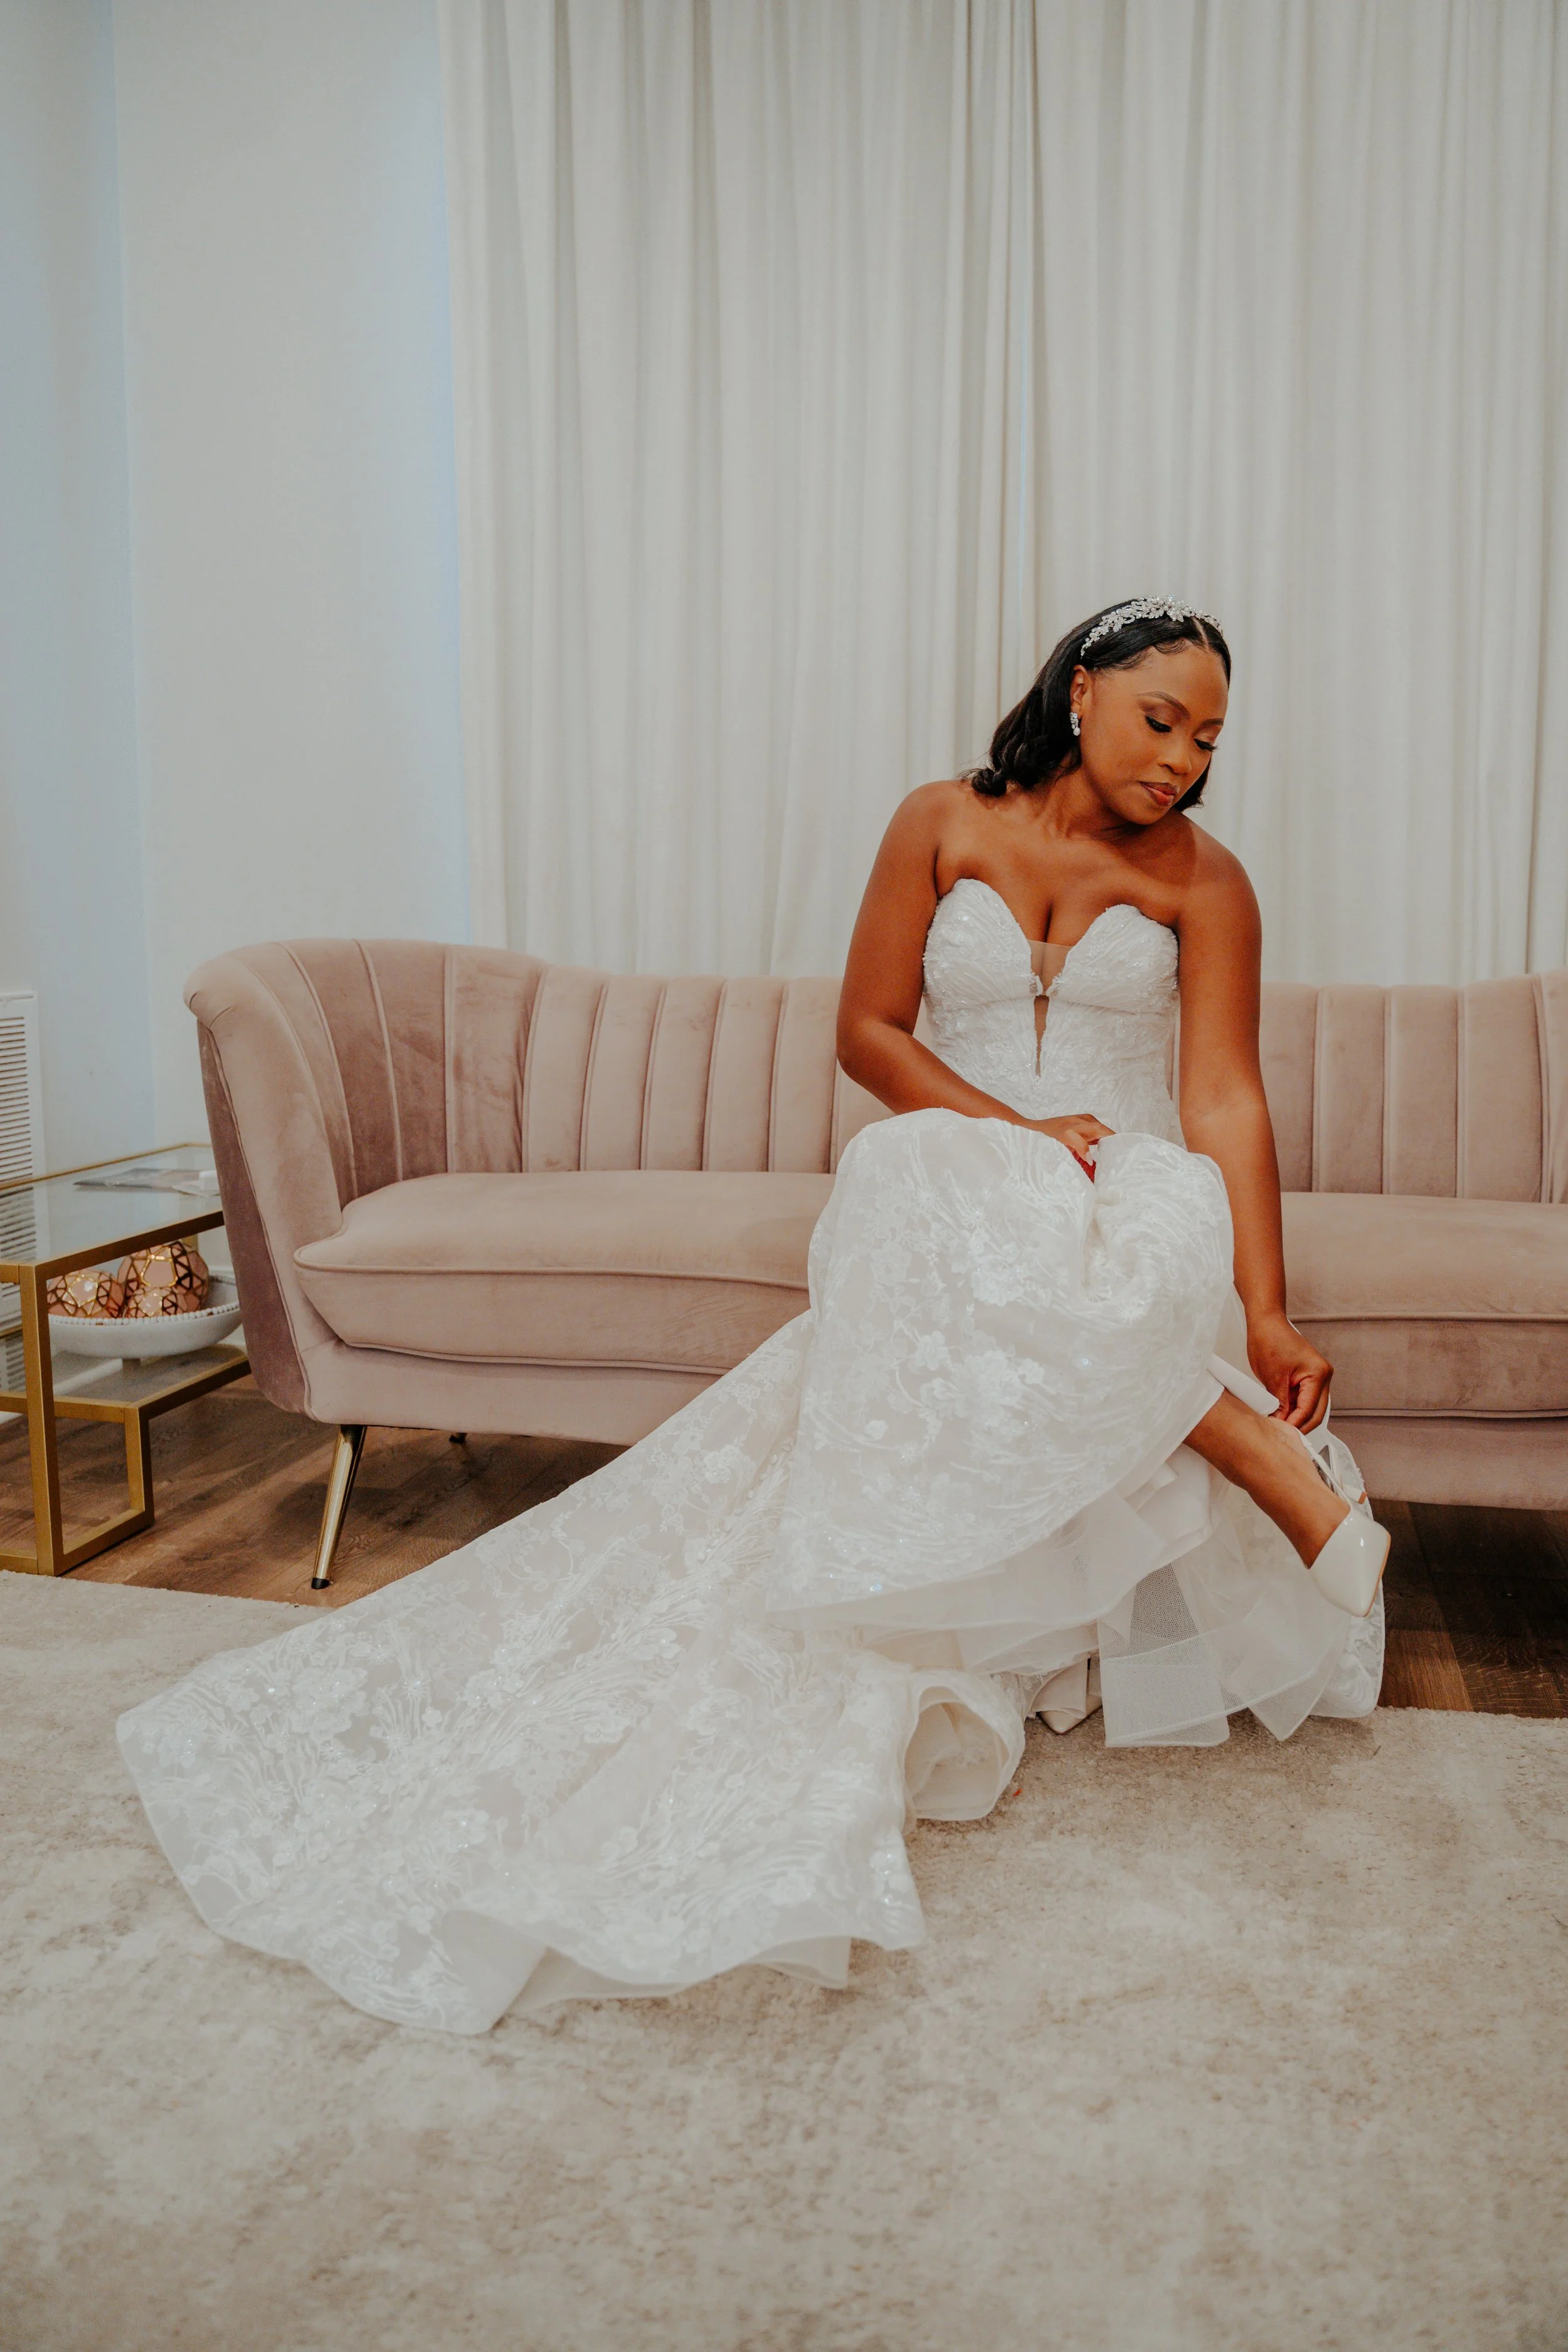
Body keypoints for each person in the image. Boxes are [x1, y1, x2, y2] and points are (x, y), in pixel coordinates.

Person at [119, 598, 1387, 2036]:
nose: (1180, 761)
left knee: (1036, 1207)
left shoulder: (1206, 880)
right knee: (911, 1164)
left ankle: (1219, 1400)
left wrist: (1264, 1309)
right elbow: (867, 1035)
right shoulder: (939, 821)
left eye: (1207, 738)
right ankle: (1240, 1443)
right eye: (1160, 721)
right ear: (1082, 691)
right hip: (965, 1170)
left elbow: (1222, 1094)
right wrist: (1019, 1135)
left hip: (1126, 1193)